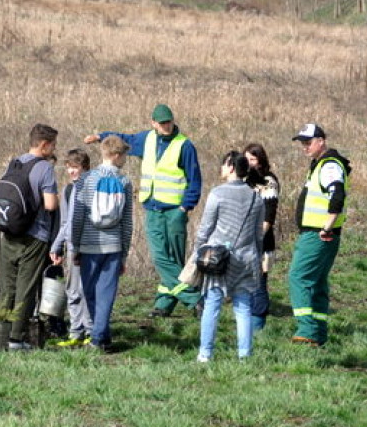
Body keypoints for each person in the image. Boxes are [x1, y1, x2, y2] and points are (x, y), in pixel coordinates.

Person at [84, 104, 203, 318]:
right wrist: (100, 136)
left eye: (169, 121)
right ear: (153, 123)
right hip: (153, 209)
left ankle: (164, 305)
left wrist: (185, 207)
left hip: (175, 211)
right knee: (159, 258)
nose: (167, 126)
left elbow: (194, 180)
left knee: (173, 259)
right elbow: (124, 139)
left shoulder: (184, 145)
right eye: (162, 123)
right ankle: (194, 298)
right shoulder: (146, 139)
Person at [194, 151, 265, 362]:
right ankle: (245, 356)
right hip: (247, 258)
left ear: (231, 167)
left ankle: (205, 354)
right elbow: (258, 234)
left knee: (212, 305)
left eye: (224, 165)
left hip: (219, 259)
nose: (221, 168)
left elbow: (205, 228)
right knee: (243, 308)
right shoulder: (256, 197)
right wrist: (258, 257)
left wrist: (198, 251)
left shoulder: (217, 194)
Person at [0, 124, 59, 350]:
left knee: (6, 287)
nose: (54, 149)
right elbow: (50, 204)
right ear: (44, 145)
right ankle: (16, 338)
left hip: (10, 231)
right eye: (53, 145)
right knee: (26, 287)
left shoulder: (15, 163)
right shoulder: (45, 168)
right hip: (35, 235)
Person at [288, 123, 350, 346]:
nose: (305, 147)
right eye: (302, 143)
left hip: (318, 235)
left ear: (321, 141)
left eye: (308, 142)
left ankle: (306, 330)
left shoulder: (329, 165)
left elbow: (337, 194)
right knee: (317, 282)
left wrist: (326, 227)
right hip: (322, 234)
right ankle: (318, 333)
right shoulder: (322, 164)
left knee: (298, 277)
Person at [70, 135, 134, 352]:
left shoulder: (86, 179)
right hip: (114, 245)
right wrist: (124, 252)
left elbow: (78, 217)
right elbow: (127, 222)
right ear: (116, 155)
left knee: (89, 292)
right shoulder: (124, 182)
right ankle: (102, 337)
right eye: (124, 155)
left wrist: (75, 246)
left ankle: (98, 337)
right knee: (106, 294)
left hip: (89, 245)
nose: (125, 159)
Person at [51, 149, 94, 347]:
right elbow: (65, 223)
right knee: (73, 289)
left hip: (89, 246)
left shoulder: (93, 188)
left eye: (76, 167)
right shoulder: (68, 190)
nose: (71, 172)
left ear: (85, 168)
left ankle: (91, 330)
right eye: (69, 168)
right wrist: (57, 245)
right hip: (71, 246)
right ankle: (75, 332)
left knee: (88, 289)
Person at [244, 143, 279, 331]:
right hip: (244, 240)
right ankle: (246, 321)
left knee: (259, 283)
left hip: (261, 241)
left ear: (260, 160)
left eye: (253, 159)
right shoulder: (245, 181)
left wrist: (256, 237)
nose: (249, 163)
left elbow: (269, 216)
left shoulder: (269, 181)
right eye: (246, 159)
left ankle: (258, 323)